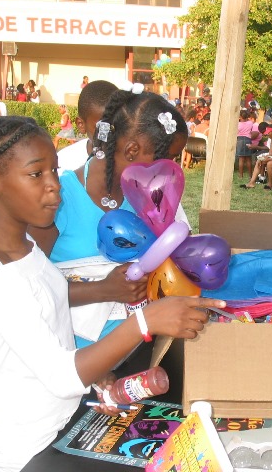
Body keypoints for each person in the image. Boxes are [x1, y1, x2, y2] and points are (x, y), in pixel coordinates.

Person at [0, 116, 225, 472]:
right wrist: (147, 319)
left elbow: (46, 324)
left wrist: (98, 375)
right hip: (19, 450)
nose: (55, 186)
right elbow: (63, 376)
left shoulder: (24, 252)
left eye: (54, 170)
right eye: (37, 175)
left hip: (60, 418)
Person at [28, 87, 191, 349]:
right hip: (75, 360)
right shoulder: (59, 199)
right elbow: (27, 289)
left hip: (140, 349)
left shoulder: (153, 196)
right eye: (168, 158)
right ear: (131, 150)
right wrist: (104, 289)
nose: (173, 170)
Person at [56, 80, 118, 174]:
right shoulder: (64, 163)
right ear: (81, 125)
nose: (111, 135)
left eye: (119, 125)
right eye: (103, 128)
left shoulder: (131, 162)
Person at [237, 109, 255, 178]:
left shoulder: (238, 124)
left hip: (240, 140)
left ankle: (241, 175)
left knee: (241, 159)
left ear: (240, 116)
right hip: (248, 140)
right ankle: (250, 175)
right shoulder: (250, 123)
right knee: (248, 159)